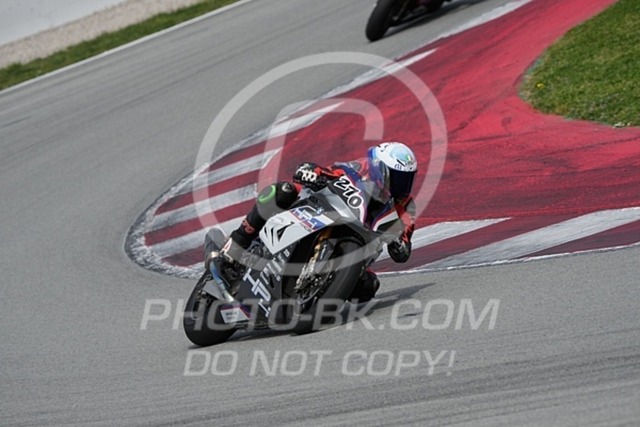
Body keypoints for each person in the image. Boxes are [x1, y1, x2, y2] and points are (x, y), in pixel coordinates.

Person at [210, 141, 418, 303]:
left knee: (368, 287)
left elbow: (404, 250)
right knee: (283, 191)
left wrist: (398, 243)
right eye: (397, 177)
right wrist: (311, 172)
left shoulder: (406, 207)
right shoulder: (357, 170)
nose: (402, 185)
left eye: (406, 179)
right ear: (379, 169)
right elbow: (328, 171)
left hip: (359, 249)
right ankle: (235, 245)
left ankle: (315, 297)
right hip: (324, 214)